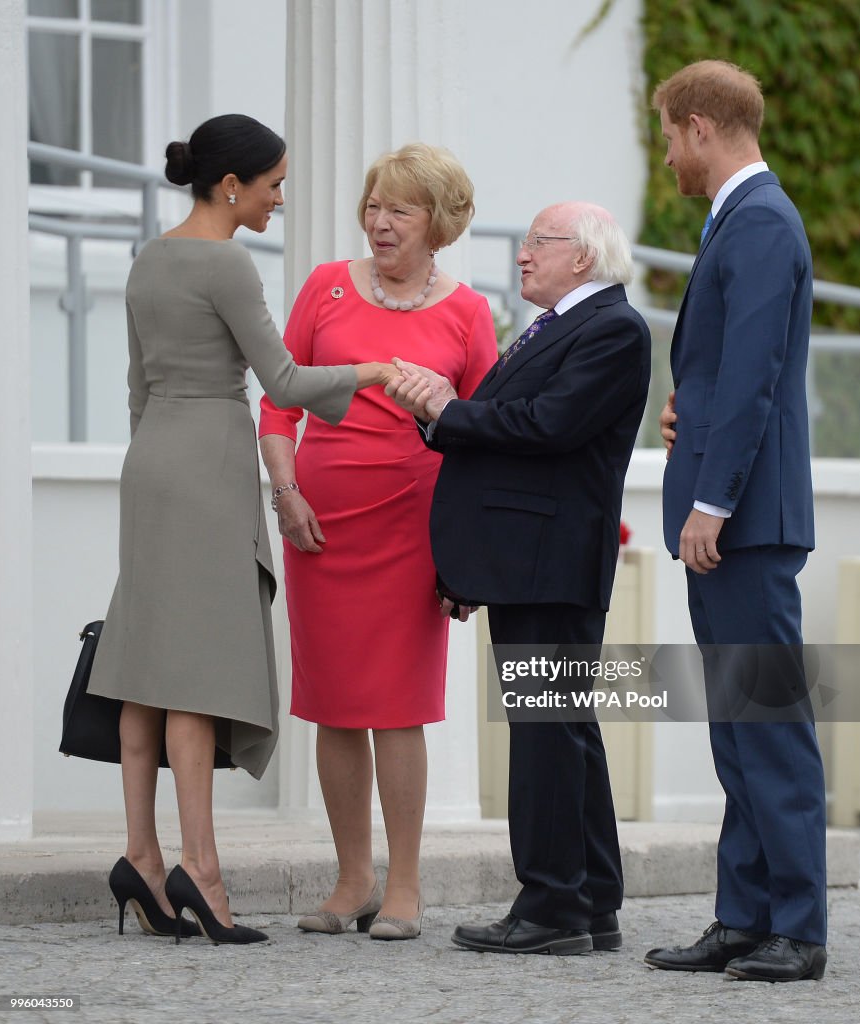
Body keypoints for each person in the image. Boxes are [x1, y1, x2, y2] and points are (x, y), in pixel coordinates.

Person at [88, 114, 397, 945]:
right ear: (232, 186)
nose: (279, 199)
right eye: (273, 185)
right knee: (193, 671)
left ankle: (143, 861)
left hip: (150, 460)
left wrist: (156, 455)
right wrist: (374, 369)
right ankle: (204, 872)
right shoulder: (226, 264)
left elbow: (136, 388)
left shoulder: (149, 257)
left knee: (144, 666)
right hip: (207, 465)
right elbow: (285, 379)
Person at [387, 201, 650, 954]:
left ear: (584, 256)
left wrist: (448, 411)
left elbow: (548, 425)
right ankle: (590, 898)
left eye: (540, 242)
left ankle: (550, 908)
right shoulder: (561, 324)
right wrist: (441, 411)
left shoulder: (611, 326)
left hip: (553, 563)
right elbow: (516, 420)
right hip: (532, 560)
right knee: (563, 730)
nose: (523, 254)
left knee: (546, 735)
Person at [258, 143, 497, 940]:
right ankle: (352, 877)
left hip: (412, 527)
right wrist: (286, 494)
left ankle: (404, 884)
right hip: (319, 525)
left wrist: (469, 547)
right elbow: (279, 405)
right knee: (333, 705)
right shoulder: (325, 285)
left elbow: (483, 434)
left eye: (400, 209)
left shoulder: (467, 310)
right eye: (373, 206)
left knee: (397, 708)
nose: (379, 222)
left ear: (439, 222)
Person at [644, 60, 827, 982]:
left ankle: (797, 924)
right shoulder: (740, 222)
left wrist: (712, 501)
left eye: (670, 134)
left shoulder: (757, 221)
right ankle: (746, 916)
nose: (667, 154)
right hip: (733, 513)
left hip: (744, 520)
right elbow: (728, 372)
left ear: (702, 126)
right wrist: (691, 411)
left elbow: (758, 373)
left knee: (769, 724)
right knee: (734, 725)